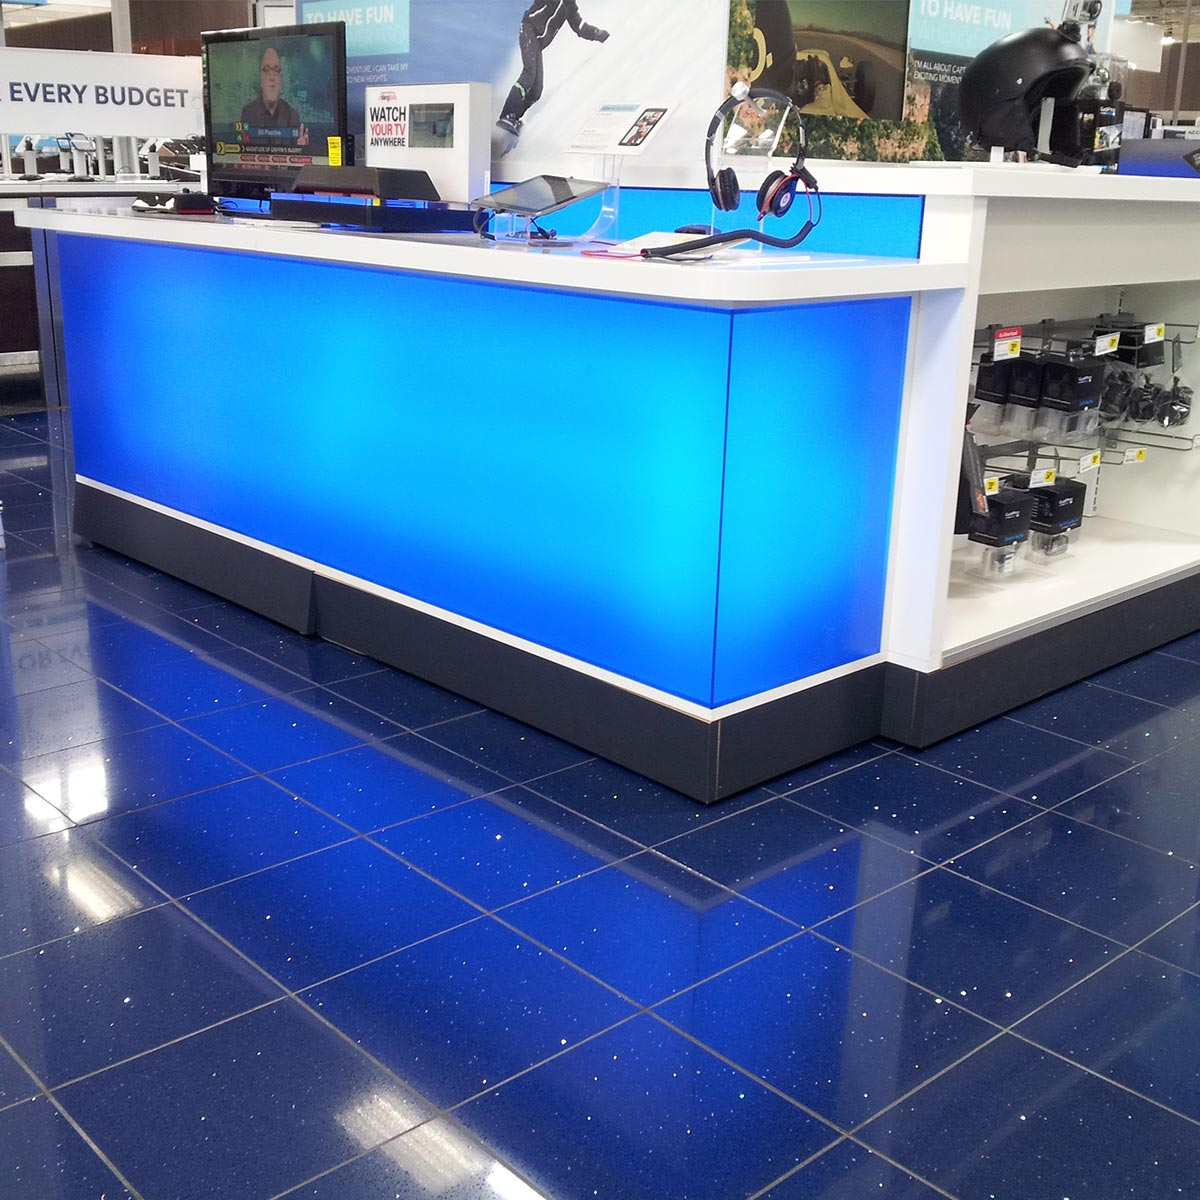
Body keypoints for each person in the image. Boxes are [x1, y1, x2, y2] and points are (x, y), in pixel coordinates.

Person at [496, 1, 609, 141]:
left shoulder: (569, 5)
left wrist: (600, 35)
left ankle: (514, 119)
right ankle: (507, 115)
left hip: (537, 43)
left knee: (536, 91)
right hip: (528, 29)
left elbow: (580, 27)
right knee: (529, 74)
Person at [241, 47, 308, 145]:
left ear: (280, 79)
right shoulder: (248, 113)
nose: (272, 77)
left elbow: (295, 149)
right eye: (267, 70)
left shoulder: (292, 115)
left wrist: (301, 148)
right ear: (260, 78)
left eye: (276, 71)